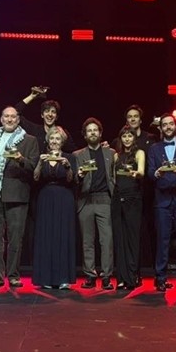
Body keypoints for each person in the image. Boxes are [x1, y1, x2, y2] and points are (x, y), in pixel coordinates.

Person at [0, 106, 39, 288]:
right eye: (6, 116)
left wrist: (20, 159)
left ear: (18, 120)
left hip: (16, 193)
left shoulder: (29, 140)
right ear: (1, 119)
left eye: (13, 117)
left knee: (15, 237)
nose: (9, 119)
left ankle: (13, 274)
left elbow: (33, 167)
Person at [146, 113, 176, 293]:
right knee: (162, 241)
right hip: (162, 200)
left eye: (170, 124)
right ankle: (160, 278)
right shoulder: (154, 148)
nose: (168, 127)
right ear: (160, 128)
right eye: (164, 124)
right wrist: (156, 173)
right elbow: (150, 172)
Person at [73, 118, 117, 290]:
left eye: (95, 130)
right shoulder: (78, 155)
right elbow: (73, 179)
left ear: (100, 133)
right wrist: (79, 176)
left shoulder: (111, 153)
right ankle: (90, 275)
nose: (92, 133)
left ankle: (106, 276)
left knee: (107, 240)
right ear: (85, 135)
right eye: (89, 130)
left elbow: (114, 176)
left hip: (105, 199)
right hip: (86, 200)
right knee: (87, 241)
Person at [31, 126, 76, 290]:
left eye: (58, 139)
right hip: (46, 197)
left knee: (63, 235)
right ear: (48, 141)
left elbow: (71, 180)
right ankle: (45, 278)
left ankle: (63, 277)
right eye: (52, 138)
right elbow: (35, 178)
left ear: (62, 141)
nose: (54, 141)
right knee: (46, 235)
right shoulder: (42, 157)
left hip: (64, 197)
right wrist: (39, 163)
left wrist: (68, 166)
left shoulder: (69, 157)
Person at [111, 125, 145, 290]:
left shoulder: (139, 153)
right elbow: (113, 178)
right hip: (118, 197)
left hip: (133, 198)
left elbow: (142, 171)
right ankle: (121, 277)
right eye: (124, 136)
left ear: (134, 138)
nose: (127, 139)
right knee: (120, 238)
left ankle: (133, 276)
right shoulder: (116, 155)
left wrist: (136, 173)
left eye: (130, 136)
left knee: (132, 238)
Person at [15, 86, 76, 152]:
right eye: (47, 111)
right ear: (42, 115)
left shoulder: (63, 133)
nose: (50, 114)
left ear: (56, 117)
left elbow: (73, 153)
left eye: (53, 112)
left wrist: (64, 141)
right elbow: (15, 113)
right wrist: (32, 96)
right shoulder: (34, 130)